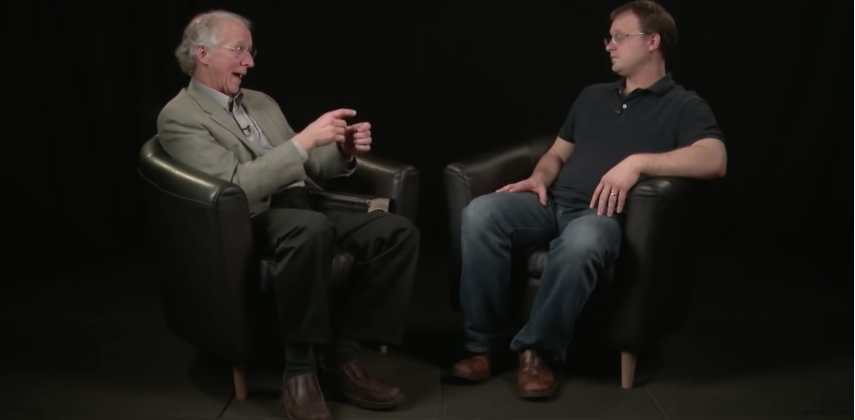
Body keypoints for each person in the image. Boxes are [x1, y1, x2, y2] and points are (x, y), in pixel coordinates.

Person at [450, 0, 727, 399]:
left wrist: (637, 163)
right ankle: (481, 347)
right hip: (551, 203)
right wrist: (538, 178)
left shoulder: (684, 105)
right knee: (481, 212)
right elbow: (557, 153)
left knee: (583, 241)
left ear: (653, 41)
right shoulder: (592, 96)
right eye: (609, 38)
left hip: (600, 215)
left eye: (619, 37)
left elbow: (715, 159)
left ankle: (537, 352)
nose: (609, 46)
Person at [157, 10, 420, 420]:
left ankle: (342, 354)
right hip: (250, 218)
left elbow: (310, 164)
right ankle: (299, 369)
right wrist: (302, 142)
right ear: (202, 53)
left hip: (303, 204)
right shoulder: (180, 117)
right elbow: (235, 185)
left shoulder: (261, 102)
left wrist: (343, 150)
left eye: (251, 51)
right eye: (239, 50)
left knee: (396, 232)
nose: (249, 62)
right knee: (309, 228)